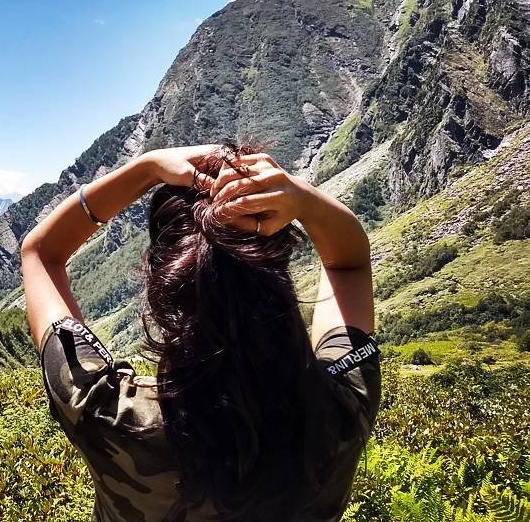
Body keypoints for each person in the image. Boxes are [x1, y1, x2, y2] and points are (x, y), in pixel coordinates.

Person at [20, 143, 380, 522]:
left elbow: (41, 253)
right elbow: (349, 265)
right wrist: (305, 201)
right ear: (278, 283)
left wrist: (144, 169)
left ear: (163, 290)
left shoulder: (110, 414)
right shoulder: (340, 413)